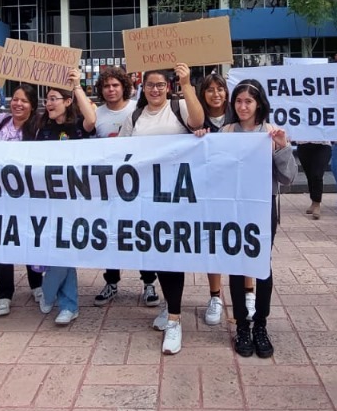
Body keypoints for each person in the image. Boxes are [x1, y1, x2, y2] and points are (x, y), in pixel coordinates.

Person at [122, 63, 204, 354]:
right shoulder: (136, 115)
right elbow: (120, 151)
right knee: (154, 257)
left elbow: (198, 120)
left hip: (175, 199)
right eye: (149, 85)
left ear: (168, 87)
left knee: (171, 259)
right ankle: (171, 303)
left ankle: (174, 321)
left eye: (160, 85)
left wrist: (187, 83)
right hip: (145, 199)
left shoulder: (179, 107)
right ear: (142, 88)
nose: (155, 90)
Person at [221, 80, 298, 358]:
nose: (243, 106)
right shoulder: (226, 132)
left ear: (259, 104)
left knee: (262, 266)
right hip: (232, 210)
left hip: (263, 210)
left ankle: (260, 324)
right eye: (238, 101)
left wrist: (283, 147)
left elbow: (288, 178)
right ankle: (242, 324)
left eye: (248, 102)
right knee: (236, 265)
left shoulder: (271, 133)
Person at [28, 70, 98, 325]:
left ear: (68, 102)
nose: (49, 103)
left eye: (55, 98)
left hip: (77, 201)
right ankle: (68, 305)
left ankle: (55, 296)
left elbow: (92, 118)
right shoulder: (42, 127)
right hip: (49, 200)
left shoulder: (79, 126)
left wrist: (77, 86)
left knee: (65, 251)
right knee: (57, 250)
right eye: (47, 99)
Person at [92, 66, 159, 308]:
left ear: (124, 87)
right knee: (111, 233)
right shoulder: (96, 114)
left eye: (115, 85)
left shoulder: (137, 110)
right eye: (106, 86)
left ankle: (149, 282)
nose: (110, 90)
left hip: (138, 183)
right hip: (109, 186)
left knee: (142, 232)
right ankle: (111, 281)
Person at [0, 84, 45, 316]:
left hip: (30, 197)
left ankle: (37, 285)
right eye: (15, 99)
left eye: (24, 101)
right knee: (4, 245)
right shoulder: (2, 123)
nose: (17, 104)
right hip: (2, 198)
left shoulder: (40, 128)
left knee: (31, 242)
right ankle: (4, 294)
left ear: (32, 106)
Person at [195, 72, 239, 326]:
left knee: (241, 241)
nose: (216, 94)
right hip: (209, 192)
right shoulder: (197, 119)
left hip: (238, 192)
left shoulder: (240, 115)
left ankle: (248, 294)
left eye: (220, 89)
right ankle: (215, 296)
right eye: (210, 89)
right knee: (213, 242)